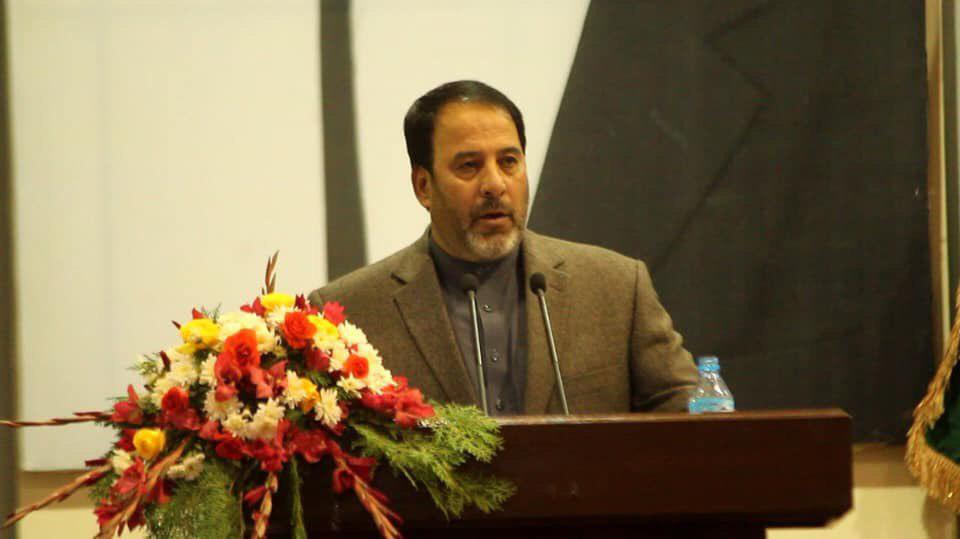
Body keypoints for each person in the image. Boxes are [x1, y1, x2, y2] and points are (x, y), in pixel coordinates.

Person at [309, 80, 696, 415]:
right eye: (469, 166)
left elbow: (688, 410)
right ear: (424, 187)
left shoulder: (616, 287)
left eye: (509, 161)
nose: (495, 184)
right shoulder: (350, 313)